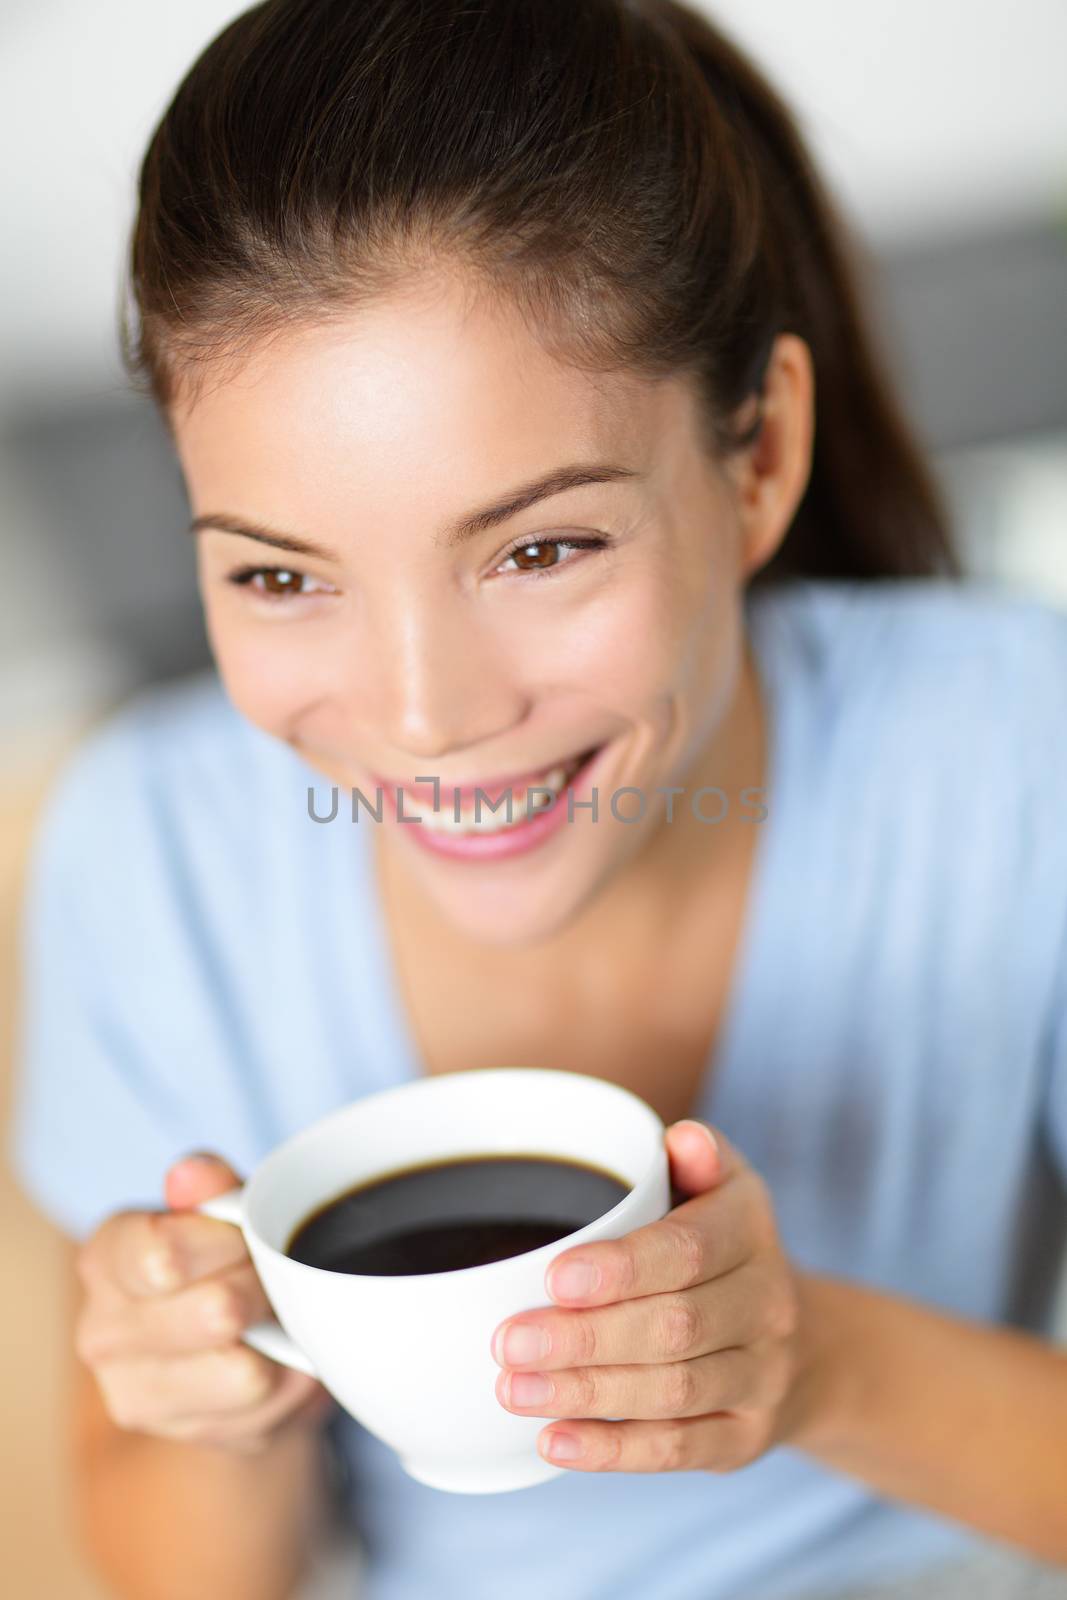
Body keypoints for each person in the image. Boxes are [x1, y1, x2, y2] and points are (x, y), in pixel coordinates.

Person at [9, 1, 1067, 1597]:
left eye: (541, 548)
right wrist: (217, 1415)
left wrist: (813, 1367)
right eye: (283, 574)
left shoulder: (1013, 749)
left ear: (759, 454)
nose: (427, 717)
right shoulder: (149, 863)